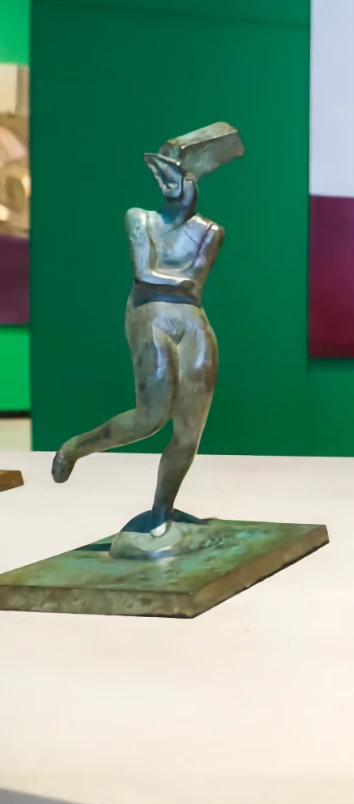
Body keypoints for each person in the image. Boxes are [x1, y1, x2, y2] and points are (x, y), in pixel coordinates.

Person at [51, 123, 244, 558]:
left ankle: (162, 513)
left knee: (190, 430)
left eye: (186, 178)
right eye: (171, 177)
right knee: (150, 417)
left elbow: (193, 283)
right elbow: (146, 275)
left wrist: (173, 281)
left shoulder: (210, 231)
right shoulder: (140, 219)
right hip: (149, 314)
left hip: (192, 320)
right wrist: (175, 281)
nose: (179, 186)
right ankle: (76, 447)